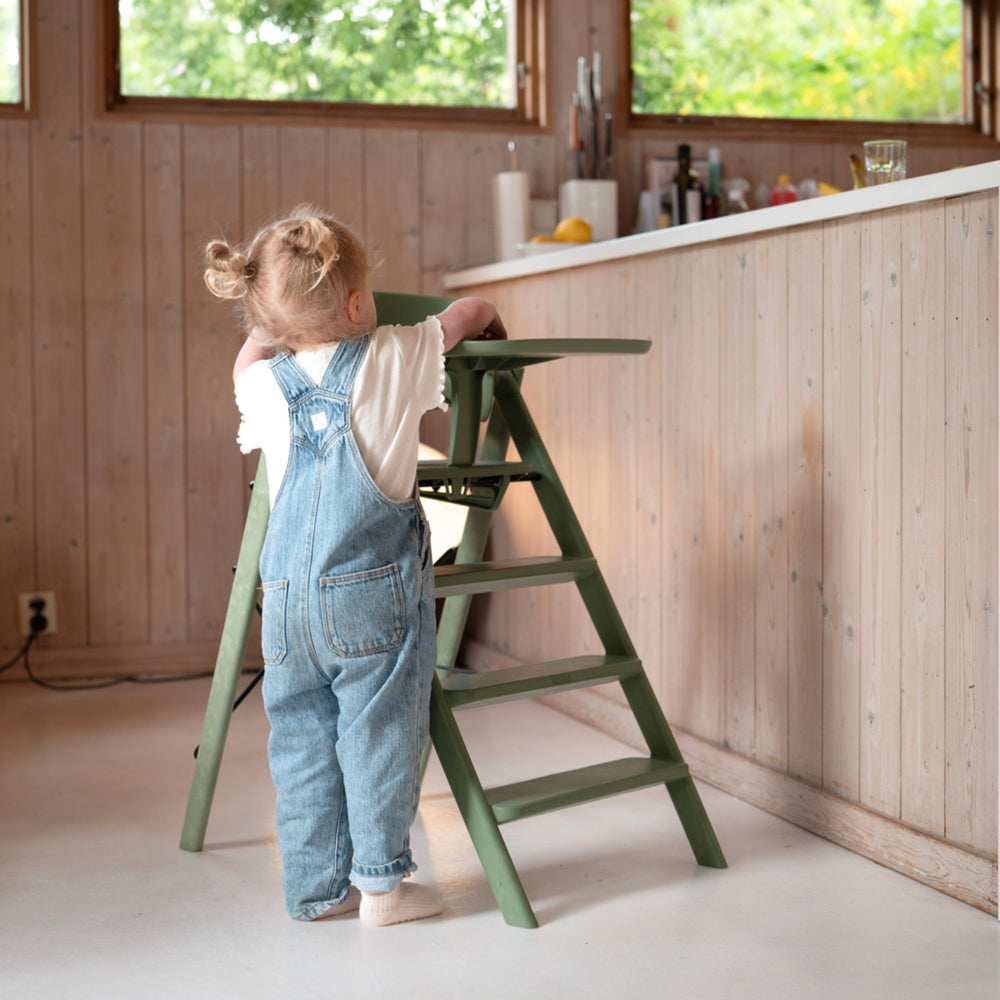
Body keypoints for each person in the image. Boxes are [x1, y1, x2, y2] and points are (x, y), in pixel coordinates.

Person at [204, 206, 507, 927]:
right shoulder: (395, 354)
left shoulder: (263, 381)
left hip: (284, 604)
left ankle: (314, 889)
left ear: (268, 317)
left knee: (300, 740)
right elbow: (463, 316)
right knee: (378, 734)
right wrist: (489, 315)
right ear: (357, 302)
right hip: (369, 595)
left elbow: (246, 358)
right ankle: (381, 888)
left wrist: (271, 325)